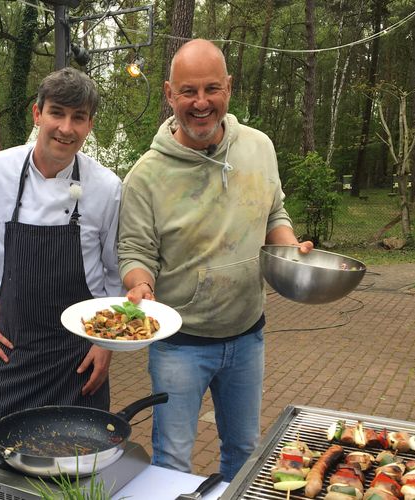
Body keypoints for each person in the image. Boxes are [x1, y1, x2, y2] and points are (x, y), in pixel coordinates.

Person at [118, 39, 313, 481]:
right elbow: (135, 253)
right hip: (179, 346)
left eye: (212, 89)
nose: (201, 102)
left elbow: (274, 212)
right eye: (188, 91)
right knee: (172, 461)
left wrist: (290, 248)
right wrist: (140, 284)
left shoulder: (259, 147)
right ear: (169, 94)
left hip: (247, 336)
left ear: (229, 87)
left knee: (245, 452)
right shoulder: (145, 176)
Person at [0, 67, 122, 421]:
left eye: (79, 118)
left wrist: (106, 343)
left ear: (90, 125)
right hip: (10, 352)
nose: (66, 128)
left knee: (77, 461)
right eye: (57, 112)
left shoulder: (106, 186)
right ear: (38, 114)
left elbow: (114, 270)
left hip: (79, 356)